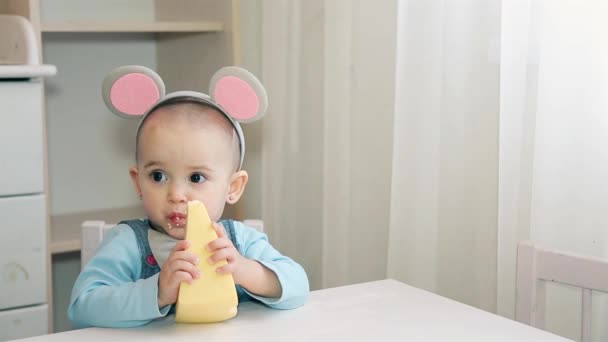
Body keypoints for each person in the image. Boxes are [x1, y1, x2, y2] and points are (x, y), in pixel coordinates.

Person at [68, 66, 309, 328]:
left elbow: (298, 285)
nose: (176, 195)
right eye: (158, 176)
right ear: (138, 183)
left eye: (196, 178)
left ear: (233, 187)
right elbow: (83, 306)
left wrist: (245, 270)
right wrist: (158, 292)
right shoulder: (128, 244)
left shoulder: (239, 241)